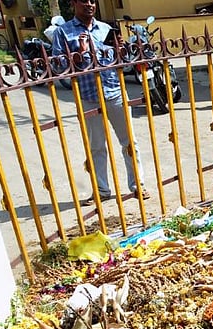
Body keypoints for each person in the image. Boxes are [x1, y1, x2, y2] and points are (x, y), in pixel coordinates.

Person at [52, 0, 148, 203]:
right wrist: (78, 54)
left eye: (92, 1)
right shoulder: (64, 32)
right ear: (73, 3)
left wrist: (121, 50)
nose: (90, 5)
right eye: (84, 1)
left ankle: (137, 185)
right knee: (96, 146)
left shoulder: (105, 29)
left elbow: (120, 62)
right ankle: (102, 191)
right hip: (88, 96)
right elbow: (57, 67)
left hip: (115, 91)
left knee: (130, 142)